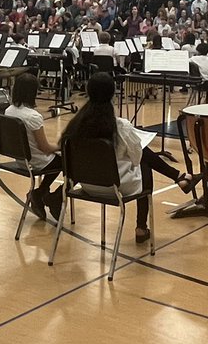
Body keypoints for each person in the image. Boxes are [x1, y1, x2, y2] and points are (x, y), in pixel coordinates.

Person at [51, 73, 196, 244]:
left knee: (139, 155)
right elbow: (136, 158)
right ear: (113, 94)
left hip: (87, 185)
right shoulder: (120, 126)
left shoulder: (75, 126)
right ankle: (141, 226)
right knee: (143, 162)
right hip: (115, 188)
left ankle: (179, 178)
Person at [5, 73, 63, 220]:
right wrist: (60, 146)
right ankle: (50, 196)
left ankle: (41, 193)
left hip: (21, 159)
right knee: (72, 161)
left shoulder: (9, 111)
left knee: (59, 159)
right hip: (36, 162)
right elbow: (45, 148)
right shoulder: (33, 116)